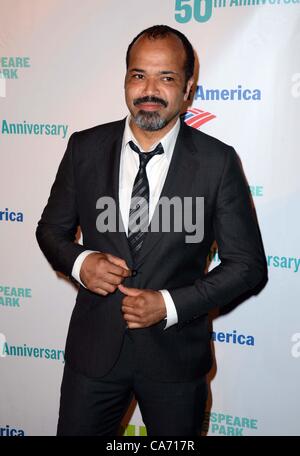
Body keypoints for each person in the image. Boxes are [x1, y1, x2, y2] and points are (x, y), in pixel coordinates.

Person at [36, 25, 267, 436]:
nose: (149, 90)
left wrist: (169, 304)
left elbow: (247, 266)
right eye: (139, 75)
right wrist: (82, 261)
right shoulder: (83, 148)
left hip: (176, 358)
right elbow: (50, 230)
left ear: (188, 87)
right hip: (93, 356)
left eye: (167, 78)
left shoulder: (217, 162)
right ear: (125, 79)